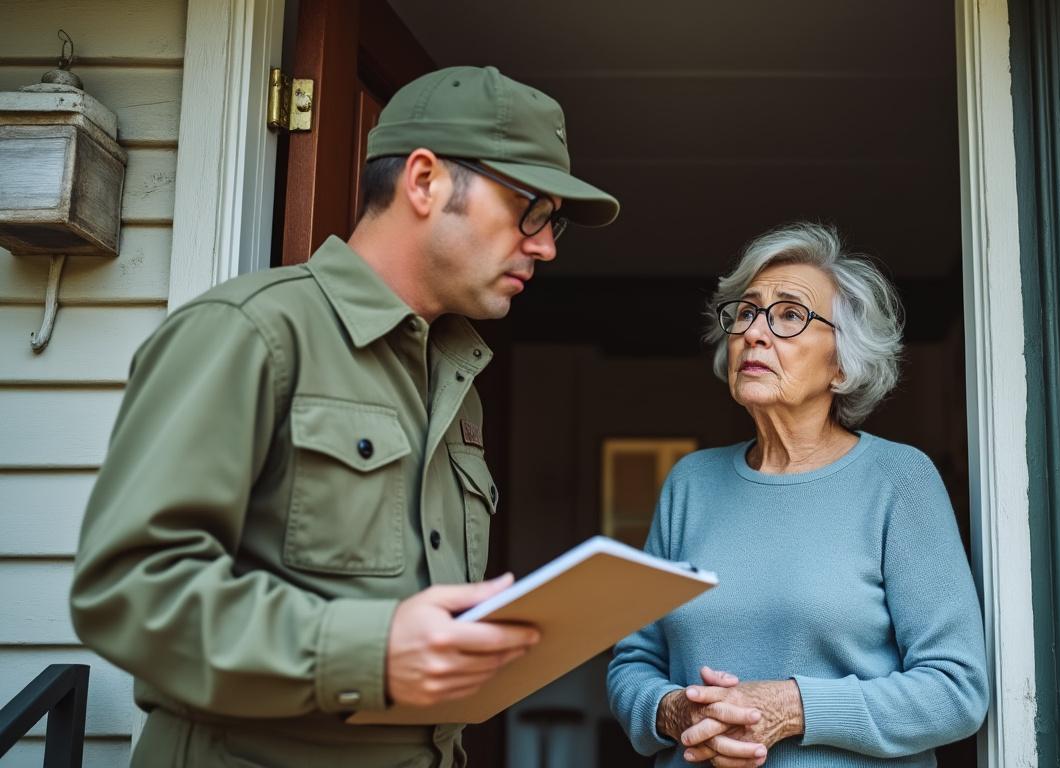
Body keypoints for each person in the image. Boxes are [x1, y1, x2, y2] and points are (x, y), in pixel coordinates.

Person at [69, 65, 618, 768]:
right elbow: (127, 590)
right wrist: (370, 649)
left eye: (554, 221)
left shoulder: (457, 373)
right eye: (531, 209)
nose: (546, 244)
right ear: (424, 181)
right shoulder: (249, 332)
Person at [606, 223, 988, 767]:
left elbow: (956, 691)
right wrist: (676, 712)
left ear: (841, 364)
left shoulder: (898, 479)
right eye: (746, 312)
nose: (755, 333)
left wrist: (793, 706)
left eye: (790, 315)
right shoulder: (690, 483)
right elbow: (633, 662)